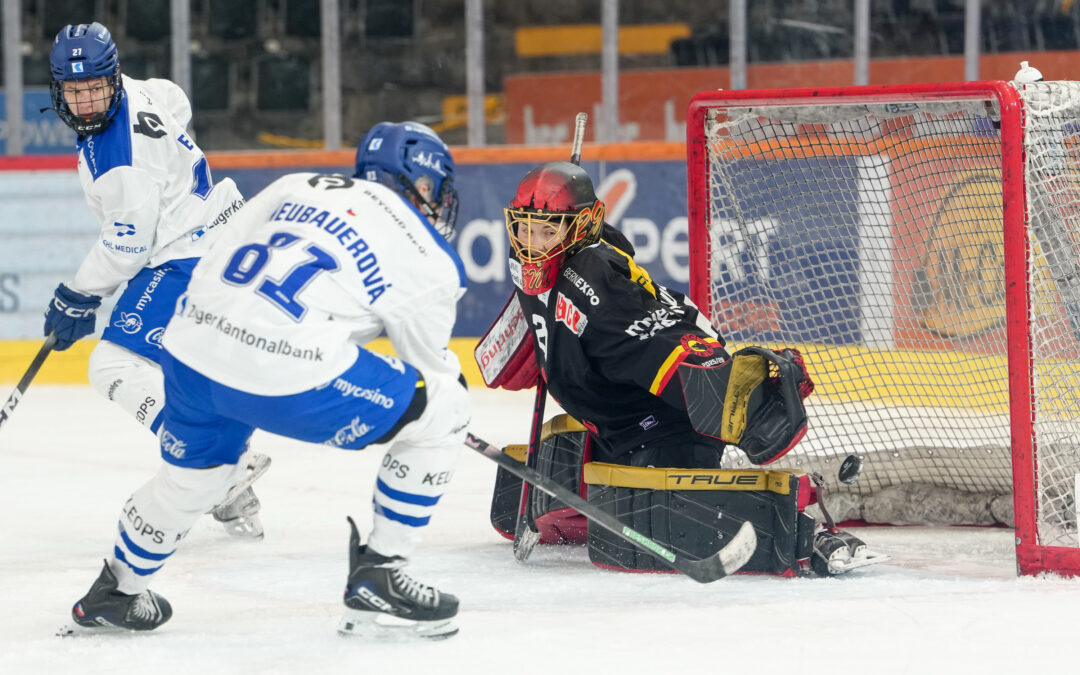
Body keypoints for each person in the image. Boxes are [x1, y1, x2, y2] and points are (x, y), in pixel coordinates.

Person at [62, 121, 470, 641]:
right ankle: (383, 570)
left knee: (194, 480)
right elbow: (429, 368)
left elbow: (217, 248)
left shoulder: (298, 184)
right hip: (287, 372)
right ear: (426, 184)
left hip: (191, 351)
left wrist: (220, 325)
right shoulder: (431, 256)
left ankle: (116, 591)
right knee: (445, 410)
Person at [482, 161, 881, 576]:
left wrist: (737, 395)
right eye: (525, 227)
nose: (532, 243)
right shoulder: (532, 258)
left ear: (583, 225)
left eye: (548, 230)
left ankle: (810, 535)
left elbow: (662, 336)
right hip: (615, 425)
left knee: (650, 534)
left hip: (667, 427)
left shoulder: (597, 283)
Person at [43, 22, 266, 537]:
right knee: (181, 363)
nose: (89, 101)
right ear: (58, 89)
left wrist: (77, 295)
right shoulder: (142, 90)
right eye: (76, 92)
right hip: (219, 234)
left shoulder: (119, 160)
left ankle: (215, 463)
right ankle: (228, 475)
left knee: (114, 363)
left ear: (112, 79)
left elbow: (126, 248)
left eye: (96, 88)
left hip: (190, 256)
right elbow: (176, 100)